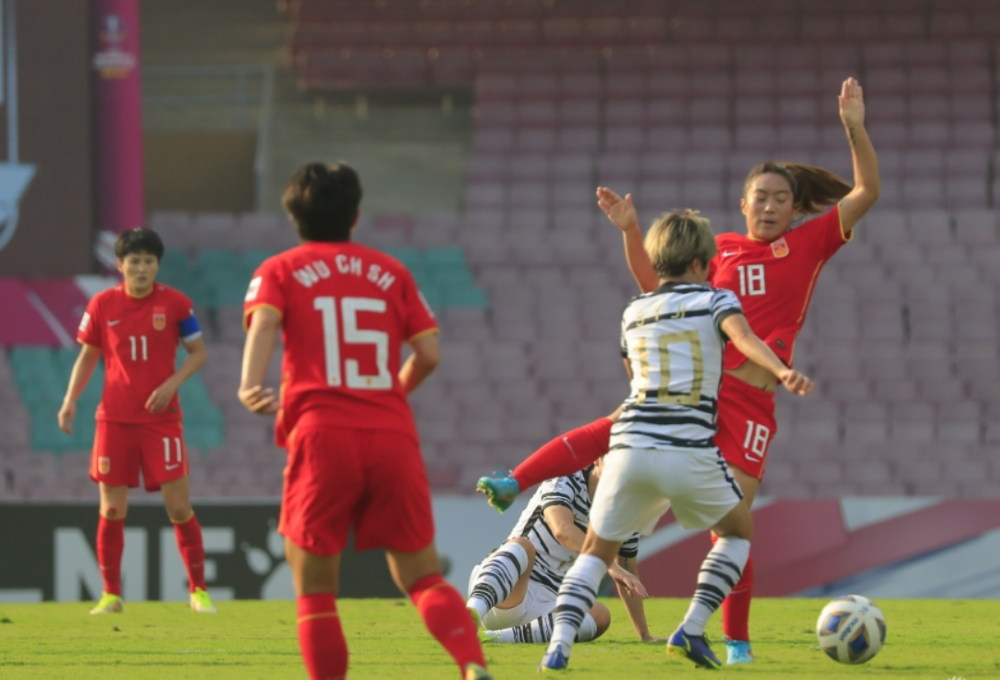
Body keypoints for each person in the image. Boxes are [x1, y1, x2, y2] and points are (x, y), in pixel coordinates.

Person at [481, 77, 880, 664]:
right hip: (700, 391)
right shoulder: (718, 252)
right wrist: (631, 233)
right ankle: (516, 482)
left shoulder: (809, 243)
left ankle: (733, 642)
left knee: (726, 526)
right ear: (742, 205)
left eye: (780, 198)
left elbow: (867, 190)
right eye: (760, 197)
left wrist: (854, 128)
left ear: (797, 208)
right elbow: (660, 288)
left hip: (750, 406)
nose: (770, 206)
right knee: (619, 436)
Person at [238, 162, 492, 680]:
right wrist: (388, 392)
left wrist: (249, 384)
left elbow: (263, 321)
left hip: (321, 433)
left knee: (315, 591)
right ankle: (471, 665)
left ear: (294, 217)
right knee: (423, 577)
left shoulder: (279, 269)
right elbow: (429, 353)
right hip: (391, 433)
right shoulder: (391, 271)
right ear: (355, 216)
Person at [538, 210, 814, 671]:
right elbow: (744, 338)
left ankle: (559, 646)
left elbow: (633, 374)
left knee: (596, 552)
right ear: (702, 262)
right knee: (737, 532)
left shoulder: (633, 311)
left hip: (629, 448)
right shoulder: (717, 300)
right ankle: (692, 627)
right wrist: (781, 371)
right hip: (687, 447)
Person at [58, 228, 216, 615]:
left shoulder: (176, 304)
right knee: (112, 509)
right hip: (114, 420)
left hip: (162, 421)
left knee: (178, 506)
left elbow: (198, 352)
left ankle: (198, 591)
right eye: (134, 261)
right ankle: (111, 595)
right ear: (120, 265)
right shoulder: (101, 304)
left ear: (157, 265)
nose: (142, 268)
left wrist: (171, 383)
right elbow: (88, 356)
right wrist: (69, 400)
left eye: (148, 261)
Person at [467, 459, 663, 646]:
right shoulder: (565, 478)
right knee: (522, 546)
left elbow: (628, 573)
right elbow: (562, 529)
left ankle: (496, 638)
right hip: (507, 588)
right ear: (598, 459)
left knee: (600, 614)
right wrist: (608, 564)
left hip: (549, 602)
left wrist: (644, 635)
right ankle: (471, 613)